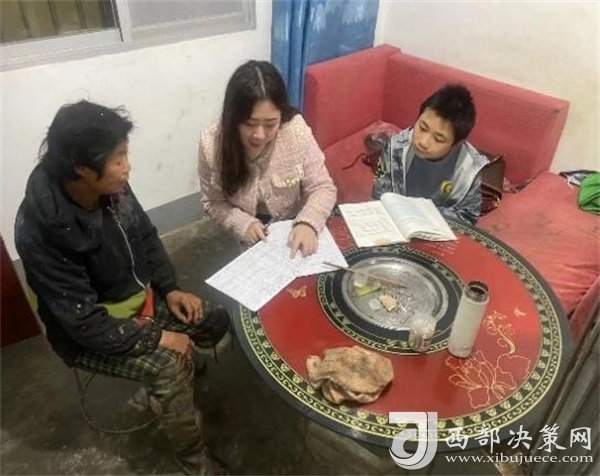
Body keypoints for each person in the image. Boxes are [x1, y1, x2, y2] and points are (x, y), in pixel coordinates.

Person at [14, 100, 229, 475]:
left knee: (214, 319)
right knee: (170, 366)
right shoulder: (41, 231)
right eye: (118, 159)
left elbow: (145, 235)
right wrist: (159, 338)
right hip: (87, 331)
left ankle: (180, 385)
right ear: (82, 168)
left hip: (137, 298)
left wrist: (170, 289)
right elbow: (83, 323)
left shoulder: (113, 188)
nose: (128, 168)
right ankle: (194, 462)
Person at [198, 60, 337, 257]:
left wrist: (308, 222)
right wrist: (242, 223)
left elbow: (322, 187)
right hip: (248, 234)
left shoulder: (295, 131)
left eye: (270, 124)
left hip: (293, 226)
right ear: (232, 117)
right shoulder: (212, 143)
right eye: (249, 123)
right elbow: (213, 202)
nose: (260, 135)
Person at [372, 84, 489, 224]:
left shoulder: (468, 170)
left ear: (456, 144)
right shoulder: (397, 148)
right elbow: (379, 195)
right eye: (422, 127)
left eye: (438, 139)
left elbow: (468, 218)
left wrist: (423, 214)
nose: (423, 142)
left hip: (437, 229)